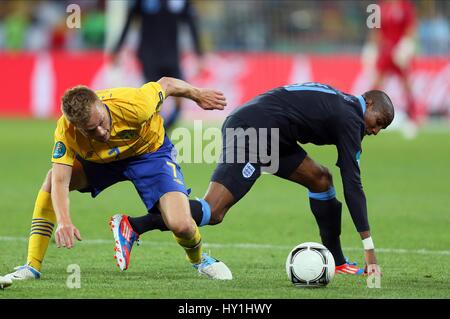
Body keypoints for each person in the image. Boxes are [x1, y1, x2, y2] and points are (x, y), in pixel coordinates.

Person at [113, 82, 394, 277]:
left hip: (274, 135)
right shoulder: (351, 119)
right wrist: (369, 249)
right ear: (367, 103)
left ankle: (337, 261)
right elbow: (353, 185)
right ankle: (134, 225)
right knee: (214, 210)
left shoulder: (343, 105)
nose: (376, 130)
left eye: (382, 127)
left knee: (320, 179)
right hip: (253, 132)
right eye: (378, 121)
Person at [2, 77, 232, 286]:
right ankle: (32, 265)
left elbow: (167, 84)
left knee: (181, 225)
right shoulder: (66, 130)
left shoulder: (135, 104)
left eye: (101, 121)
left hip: (149, 155)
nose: (102, 132)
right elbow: (61, 181)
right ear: (77, 126)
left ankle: (200, 259)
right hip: (103, 162)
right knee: (52, 179)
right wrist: (64, 221)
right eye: (91, 131)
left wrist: (197, 94)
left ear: (101, 104)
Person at [111, 0, 205, 130]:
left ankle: (164, 128)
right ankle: (155, 132)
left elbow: (191, 25)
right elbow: (129, 21)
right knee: (153, 98)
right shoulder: (143, 2)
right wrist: (117, 49)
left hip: (172, 56)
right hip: (149, 56)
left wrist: (199, 54)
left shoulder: (179, 3)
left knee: (179, 100)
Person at [371, 0, 417, 139]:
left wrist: (406, 46)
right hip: (385, 50)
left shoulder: (406, 6)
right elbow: (374, 29)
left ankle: (413, 117)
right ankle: (367, 114)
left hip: (399, 51)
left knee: (406, 84)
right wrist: (372, 47)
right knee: (377, 83)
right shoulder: (378, 7)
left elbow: (411, 28)